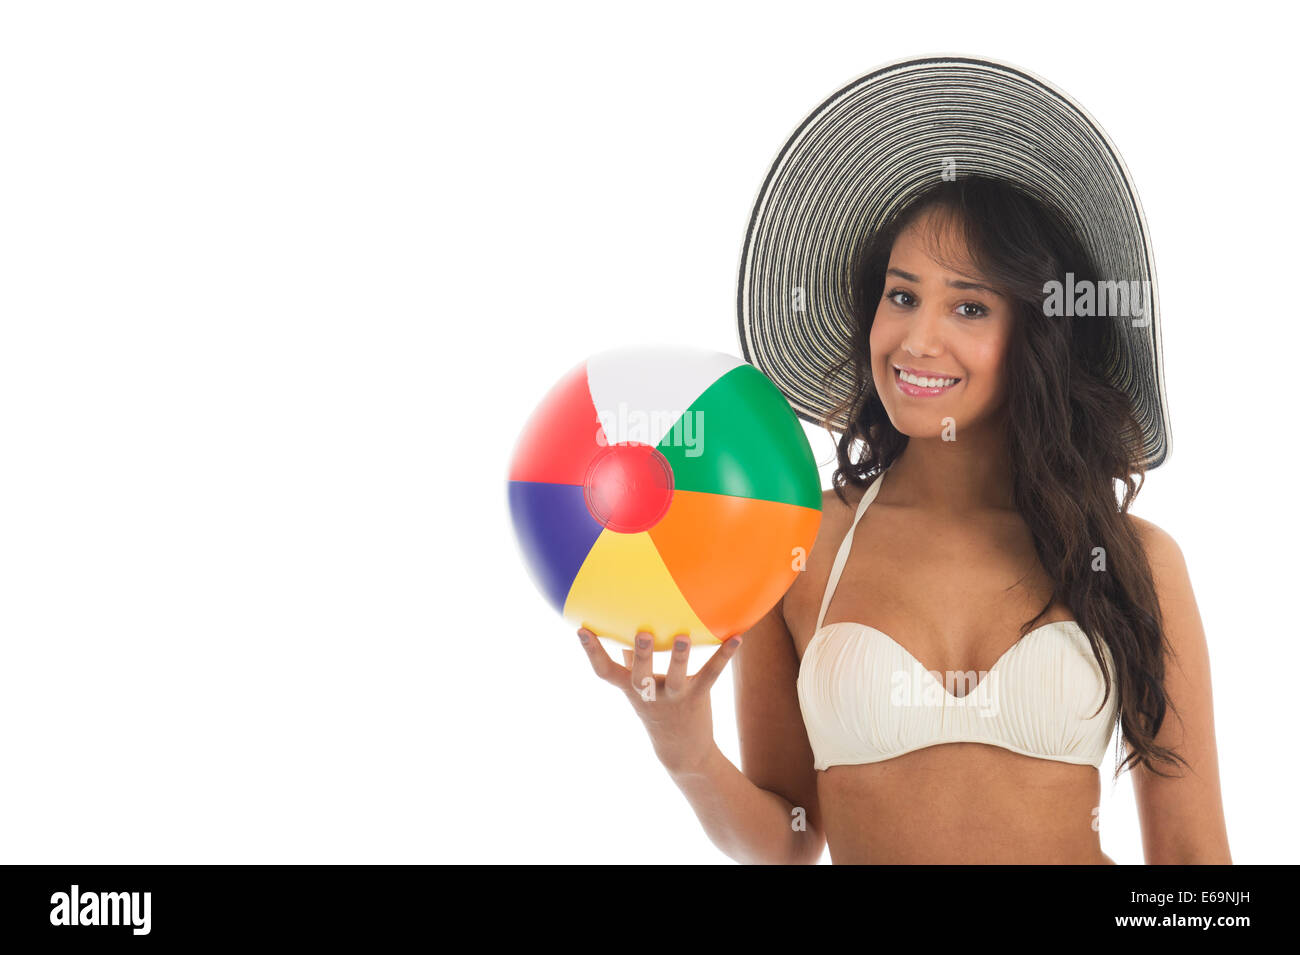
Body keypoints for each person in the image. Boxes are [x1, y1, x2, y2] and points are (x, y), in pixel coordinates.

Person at [577, 174, 1230, 864]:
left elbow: (1194, 864)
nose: (917, 340)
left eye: (970, 308)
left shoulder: (1133, 559)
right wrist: (686, 750)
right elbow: (790, 839)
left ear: (1037, 335)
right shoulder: (798, 543)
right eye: (904, 295)